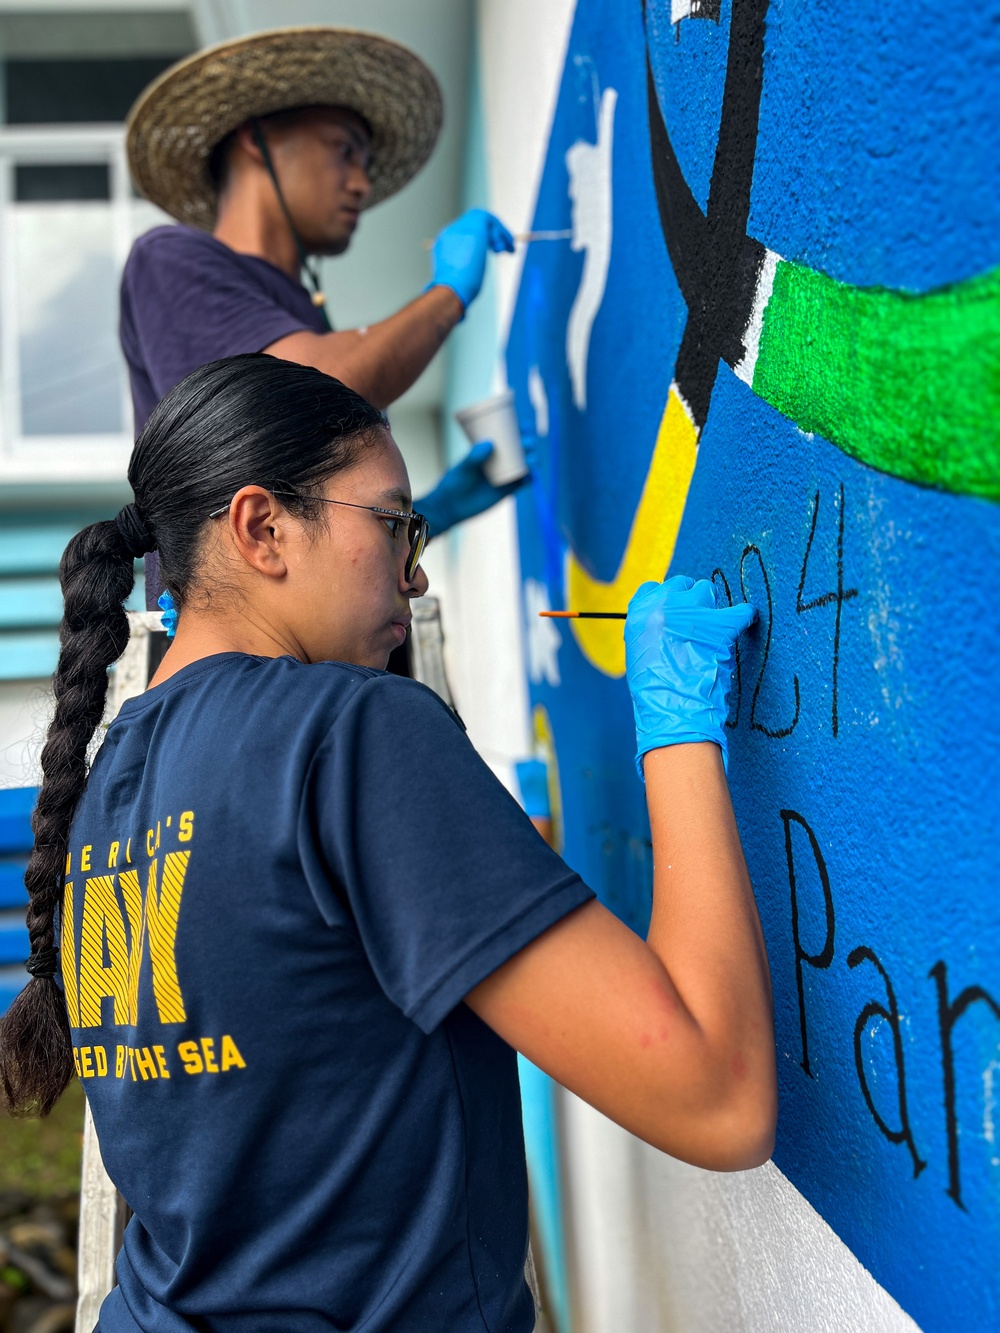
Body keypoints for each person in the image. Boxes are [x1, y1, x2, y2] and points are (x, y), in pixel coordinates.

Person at [0, 356, 776, 1333]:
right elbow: (718, 1095)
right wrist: (676, 728)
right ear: (262, 528)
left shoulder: (107, 778)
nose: (413, 569)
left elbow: (294, 1007)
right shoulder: (352, 730)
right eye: (394, 520)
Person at [120, 26, 523, 572]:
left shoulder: (305, 317)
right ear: (256, 137)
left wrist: (433, 512)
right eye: (345, 150)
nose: (361, 183)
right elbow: (305, 398)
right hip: (238, 651)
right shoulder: (169, 260)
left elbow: (312, 519)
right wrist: (447, 294)